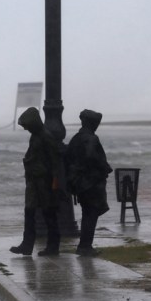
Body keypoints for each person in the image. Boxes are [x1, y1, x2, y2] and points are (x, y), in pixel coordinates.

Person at [10, 107, 61, 256]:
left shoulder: (46, 136)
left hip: (45, 181)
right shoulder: (35, 136)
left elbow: (55, 160)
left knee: (49, 213)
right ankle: (27, 245)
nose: (26, 128)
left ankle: (53, 246)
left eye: (27, 125)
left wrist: (55, 180)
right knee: (29, 211)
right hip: (33, 181)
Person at [65, 109, 112, 257]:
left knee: (88, 214)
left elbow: (67, 159)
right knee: (91, 214)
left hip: (80, 184)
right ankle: (85, 246)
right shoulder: (91, 138)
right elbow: (91, 156)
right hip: (90, 183)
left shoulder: (76, 138)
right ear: (92, 123)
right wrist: (104, 168)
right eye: (96, 123)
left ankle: (84, 245)